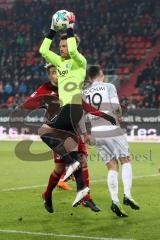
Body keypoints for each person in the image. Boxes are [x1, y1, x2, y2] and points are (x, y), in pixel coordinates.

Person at [22, 63, 100, 213]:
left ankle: (86, 198)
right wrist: (44, 100)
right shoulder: (45, 89)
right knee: (60, 168)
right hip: (58, 134)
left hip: (74, 131)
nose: (56, 76)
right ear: (49, 75)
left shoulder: (70, 86)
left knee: (81, 162)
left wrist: (84, 133)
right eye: (52, 73)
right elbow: (27, 105)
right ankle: (47, 194)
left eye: (58, 72)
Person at [39, 12, 90, 208]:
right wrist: (52, 29)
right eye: (60, 46)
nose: (62, 49)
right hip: (67, 110)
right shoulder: (59, 62)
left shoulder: (80, 62)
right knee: (72, 153)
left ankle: (73, 164)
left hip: (74, 108)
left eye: (65, 45)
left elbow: (74, 52)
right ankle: (81, 189)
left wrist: (69, 27)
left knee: (44, 131)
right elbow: (43, 49)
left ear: (73, 46)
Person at [83, 65, 140, 217]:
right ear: (101, 74)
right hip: (112, 128)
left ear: (89, 78)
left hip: (96, 133)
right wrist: (119, 117)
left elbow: (81, 116)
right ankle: (127, 195)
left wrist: (85, 134)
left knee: (111, 166)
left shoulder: (84, 93)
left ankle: (115, 201)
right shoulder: (108, 86)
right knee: (125, 160)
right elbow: (115, 106)